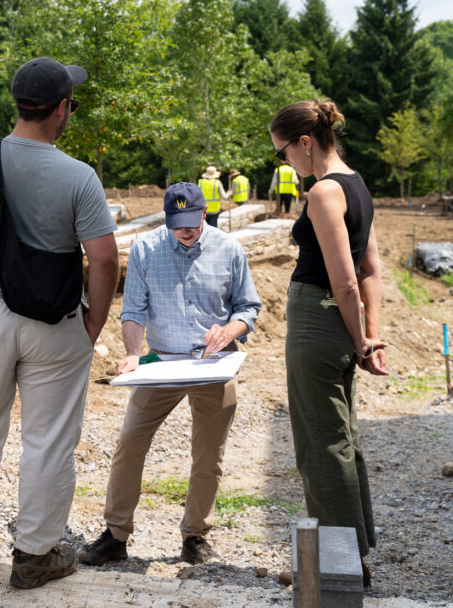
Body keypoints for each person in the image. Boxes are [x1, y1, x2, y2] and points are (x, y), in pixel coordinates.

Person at [0, 57, 119, 589]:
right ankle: (36, 554)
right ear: (60, 109)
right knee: (49, 439)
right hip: (55, 321)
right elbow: (103, 259)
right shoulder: (78, 177)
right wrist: (93, 326)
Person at [78, 182, 261, 567]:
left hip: (216, 364)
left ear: (205, 214)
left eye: (192, 223)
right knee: (130, 442)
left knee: (208, 455)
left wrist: (228, 330)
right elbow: (133, 310)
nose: (186, 231)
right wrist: (132, 354)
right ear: (166, 219)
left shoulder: (229, 249)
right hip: (161, 362)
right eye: (177, 224)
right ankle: (115, 534)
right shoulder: (146, 248)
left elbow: (248, 307)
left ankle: (195, 537)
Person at [269, 99, 387, 588]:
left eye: (282, 154)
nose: (285, 164)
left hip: (318, 321)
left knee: (320, 446)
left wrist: (362, 339)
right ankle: (355, 552)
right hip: (338, 325)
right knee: (341, 439)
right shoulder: (357, 184)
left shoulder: (323, 192)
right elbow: (371, 271)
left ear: (305, 142)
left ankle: (341, 565)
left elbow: (344, 281)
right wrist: (370, 336)